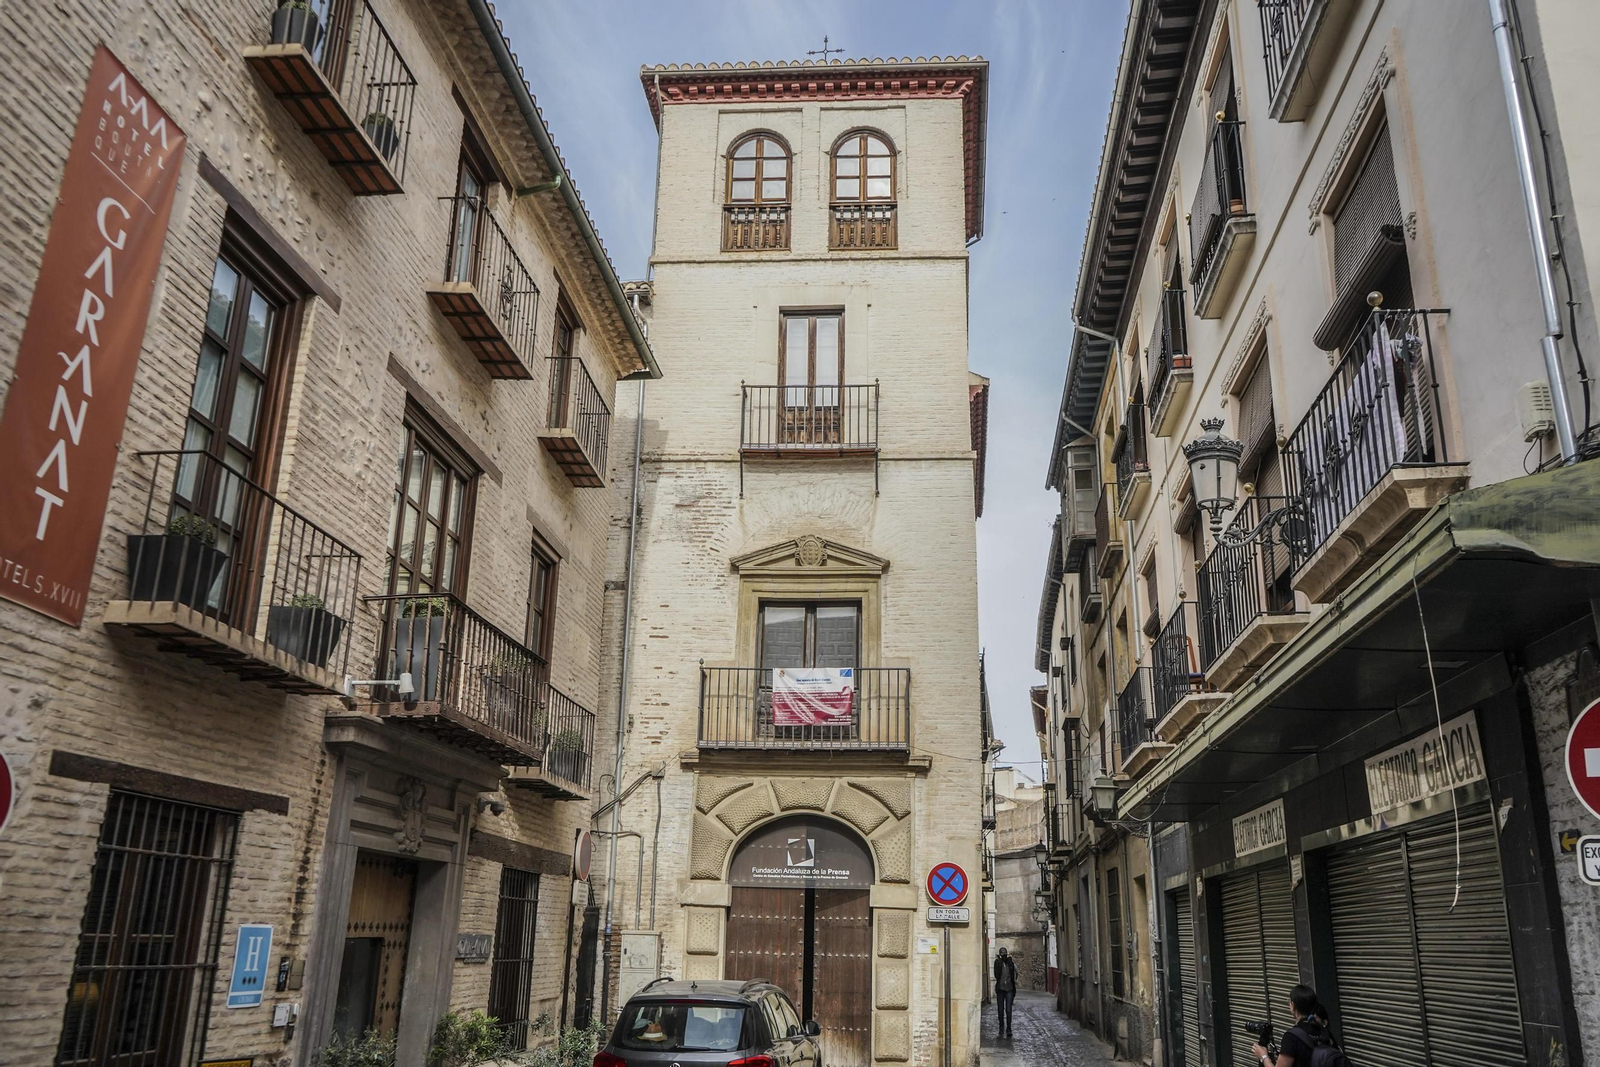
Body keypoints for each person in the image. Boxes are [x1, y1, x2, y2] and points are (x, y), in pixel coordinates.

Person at [1251, 984, 1342, 1067]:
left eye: (1289, 1002)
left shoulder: (1292, 1037)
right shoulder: (1325, 1031)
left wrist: (1263, 1056)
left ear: (1293, 1006)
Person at [993, 947, 1018, 1038]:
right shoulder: (997, 962)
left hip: (1009, 989)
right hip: (1000, 989)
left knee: (1008, 1010)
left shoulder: (1010, 963)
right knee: (1000, 1010)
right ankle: (1001, 1027)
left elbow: (1015, 972)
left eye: (1004, 954)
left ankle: (1009, 1028)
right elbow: (996, 975)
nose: (1003, 955)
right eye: (1002, 954)